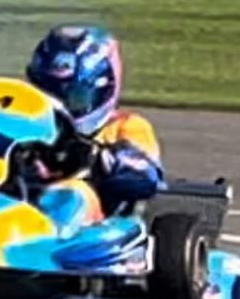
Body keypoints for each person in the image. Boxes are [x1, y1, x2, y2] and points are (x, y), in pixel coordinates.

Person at [23, 24, 165, 219]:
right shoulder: (28, 125)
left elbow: (147, 176)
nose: (60, 106)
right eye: (49, 93)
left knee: (71, 194)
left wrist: (103, 158)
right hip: (18, 206)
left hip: (92, 224)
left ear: (103, 89)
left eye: (73, 97)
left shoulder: (126, 125)